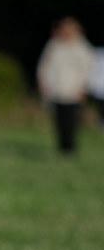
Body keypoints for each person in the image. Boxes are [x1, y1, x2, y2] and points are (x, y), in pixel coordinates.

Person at [37, 17, 94, 156]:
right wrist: (43, 82)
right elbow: (44, 66)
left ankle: (70, 149)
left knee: (71, 121)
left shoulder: (82, 48)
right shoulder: (54, 45)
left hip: (73, 91)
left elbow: (89, 70)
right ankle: (61, 148)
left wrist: (84, 88)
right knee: (58, 121)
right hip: (56, 90)